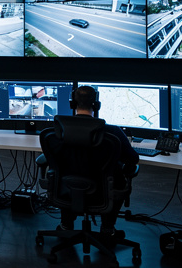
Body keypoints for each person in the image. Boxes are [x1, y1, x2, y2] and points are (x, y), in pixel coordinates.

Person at [53, 85, 139, 240]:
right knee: (118, 177)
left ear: (72, 104)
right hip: (102, 191)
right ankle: (107, 228)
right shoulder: (113, 132)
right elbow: (132, 159)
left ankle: (66, 225)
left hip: (68, 188)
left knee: (68, 171)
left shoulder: (59, 131)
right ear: (97, 105)